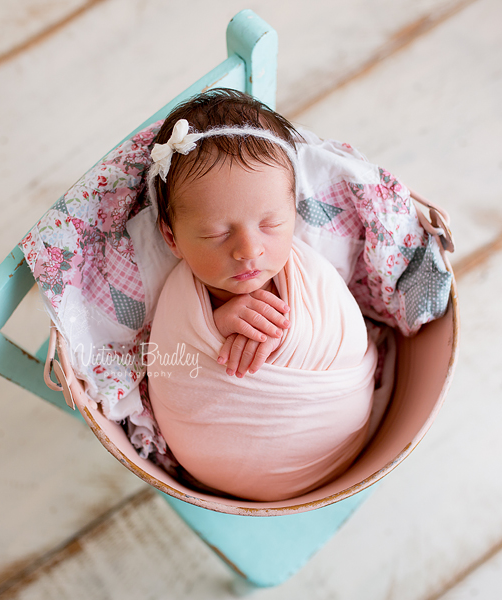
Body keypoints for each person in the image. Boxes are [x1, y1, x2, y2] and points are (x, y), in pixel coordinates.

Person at [146, 89, 378, 501]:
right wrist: (213, 327)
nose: (249, 250)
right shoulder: (177, 299)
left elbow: (348, 334)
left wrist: (293, 334)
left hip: (344, 448)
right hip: (220, 475)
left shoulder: (313, 273)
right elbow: (170, 365)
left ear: (294, 210)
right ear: (172, 239)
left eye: (271, 223)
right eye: (217, 233)